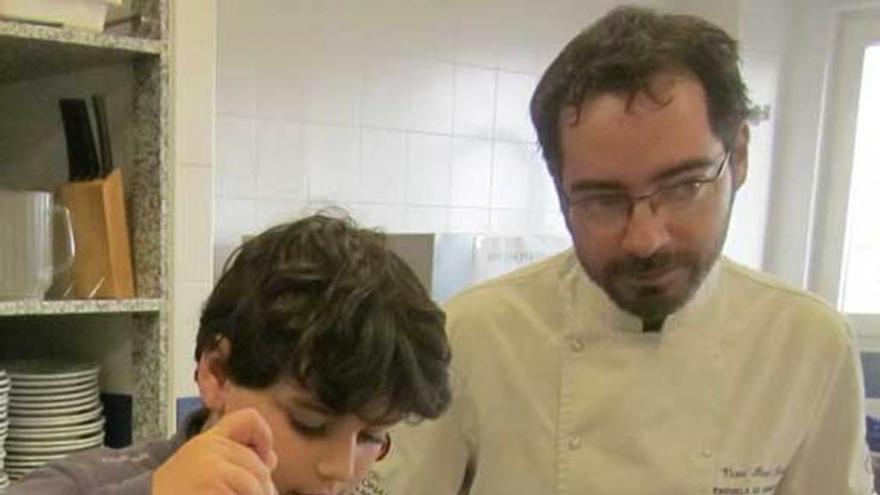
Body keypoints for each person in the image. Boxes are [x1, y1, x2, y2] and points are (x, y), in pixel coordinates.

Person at [376, 5, 873, 495]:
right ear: (559, 189)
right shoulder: (474, 336)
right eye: (602, 201)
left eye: (683, 186)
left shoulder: (808, 346)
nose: (645, 239)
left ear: (738, 156)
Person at [9, 213, 451, 495]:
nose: (339, 470)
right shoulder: (89, 482)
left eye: (371, 438)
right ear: (217, 373)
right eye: (310, 423)